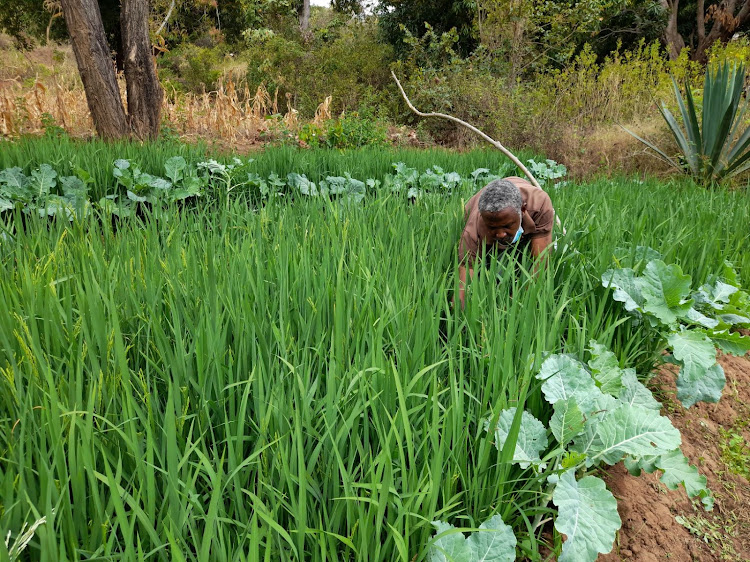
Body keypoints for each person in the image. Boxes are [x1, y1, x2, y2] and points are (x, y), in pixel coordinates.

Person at [457, 176, 555, 308]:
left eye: (507, 226)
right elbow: (463, 283)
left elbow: (541, 262)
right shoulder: (473, 230)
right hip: (478, 203)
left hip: (519, 189)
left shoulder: (540, 205)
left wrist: (518, 301)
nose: (500, 234)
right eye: (492, 227)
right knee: (487, 266)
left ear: (523, 210)